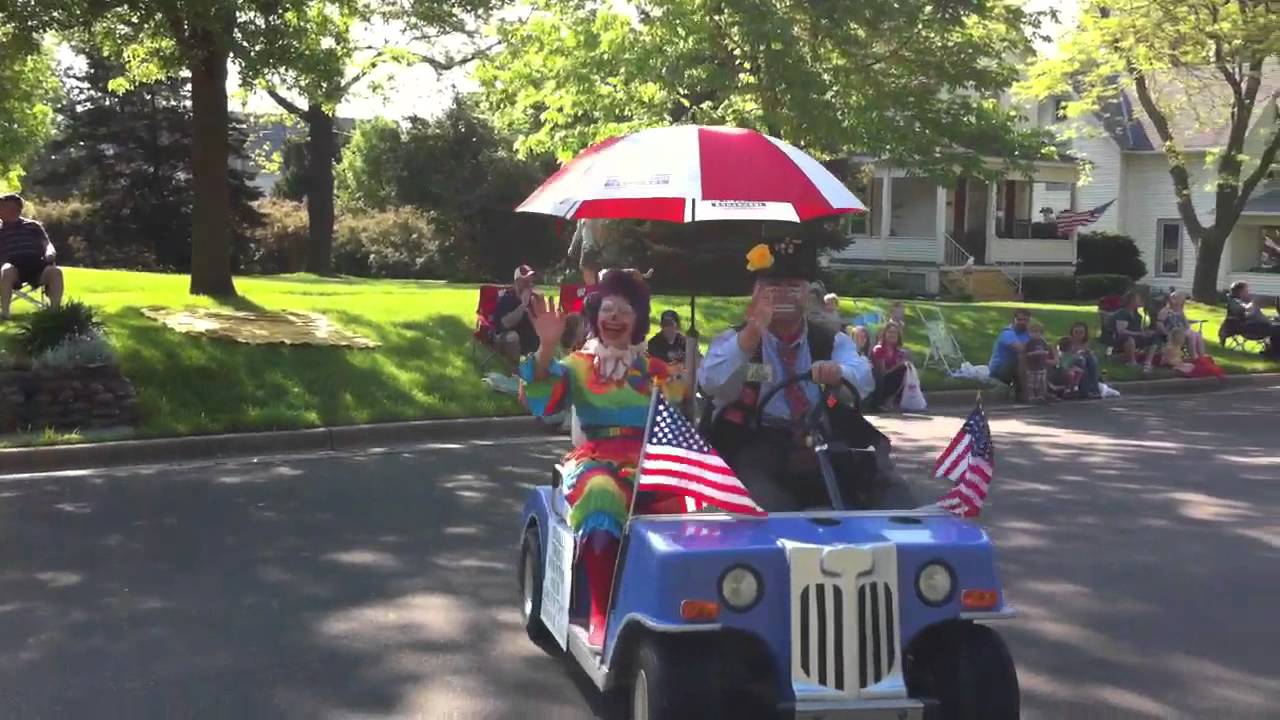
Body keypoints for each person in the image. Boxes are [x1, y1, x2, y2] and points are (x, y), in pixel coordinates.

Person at [519, 270, 685, 647]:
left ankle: (679, 605)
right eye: (607, 309)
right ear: (596, 317)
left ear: (638, 320)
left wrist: (691, 374)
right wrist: (547, 347)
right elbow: (542, 401)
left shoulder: (654, 369)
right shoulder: (577, 364)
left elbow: (679, 413)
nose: (614, 317)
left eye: (624, 310)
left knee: (690, 502)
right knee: (601, 495)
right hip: (596, 456)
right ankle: (599, 609)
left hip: (645, 458)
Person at [699, 237, 916, 512]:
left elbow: (863, 377)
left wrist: (838, 372)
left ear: (808, 293)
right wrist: (752, 332)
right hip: (756, 441)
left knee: (876, 472)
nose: (784, 296)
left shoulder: (829, 341)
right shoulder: (734, 341)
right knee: (766, 500)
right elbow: (711, 384)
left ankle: (912, 534)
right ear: (755, 294)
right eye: (773, 288)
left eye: (793, 288)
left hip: (817, 436)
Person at [0, 193, 64, 319]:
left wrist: (50, 253)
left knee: (56, 272)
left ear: (15, 209)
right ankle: (5, 314)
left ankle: (54, 314)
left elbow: (47, 244)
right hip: (13, 268)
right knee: (6, 270)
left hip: (36, 265)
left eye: (2, 206)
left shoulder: (33, 226)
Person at [490, 265, 542, 366]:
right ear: (516, 282)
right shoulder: (507, 298)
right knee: (513, 337)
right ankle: (515, 373)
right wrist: (523, 305)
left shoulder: (533, 299)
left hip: (525, 337)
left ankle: (543, 370)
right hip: (503, 338)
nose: (528, 285)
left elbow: (539, 325)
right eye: (525, 281)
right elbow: (506, 324)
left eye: (530, 282)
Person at [1227, 281, 1280, 358]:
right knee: (1277, 328)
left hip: (1251, 325)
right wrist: (1253, 303)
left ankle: (1270, 351)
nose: (1248, 292)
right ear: (1240, 292)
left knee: (1276, 325)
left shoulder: (1239, 301)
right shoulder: (1236, 301)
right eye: (1246, 290)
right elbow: (1246, 310)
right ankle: (1274, 353)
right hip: (1247, 328)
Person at [988, 309, 1032, 402]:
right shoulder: (1007, 333)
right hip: (1000, 370)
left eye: (1025, 320)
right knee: (1019, 357)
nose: (1022, 322)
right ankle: (1023, 393)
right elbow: (1020, 349)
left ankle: (1045, 390)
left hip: (1018, 367)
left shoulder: (1028, 334)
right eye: (1019, 320)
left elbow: (1043, 346)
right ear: (1014, 320)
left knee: (1040, 355)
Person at [867, 321, 909, 411]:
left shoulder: (895, 350)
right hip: (877, 383)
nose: (892, 335)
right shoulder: (879, 349)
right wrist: (898, 365)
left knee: (906, 369)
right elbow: (882, 373)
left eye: (895, 333)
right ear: (884, 334)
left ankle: (890, 400)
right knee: (901, 369)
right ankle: (880, 402)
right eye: (890, 332)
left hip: (888, 380)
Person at [1112, 291, 1157, 371]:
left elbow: (1138, 329)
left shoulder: (1138, 315)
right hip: (1121, 339)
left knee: (1154, 338)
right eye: (1138, 299)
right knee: (1129, 338)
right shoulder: (1123, 313)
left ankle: (1147, 363)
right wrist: (1138, 333)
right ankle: (1132, 362)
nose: (1140, 301)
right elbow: (1121, 331)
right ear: (1131, 301)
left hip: (1136, 336)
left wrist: (1145, 332)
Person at [1156, 291, 1205, 360]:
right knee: (1191, 335)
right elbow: (1159, 323)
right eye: (1179, 300)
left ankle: (1201, 355)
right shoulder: (1165, 311)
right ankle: (1193, 356)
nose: (1181, 303)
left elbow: (1186, 324)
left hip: (1180, 332)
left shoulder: (1180, 312)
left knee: (1197, 335)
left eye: (1182, 301)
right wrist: (1165, 333)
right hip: (1172, 333)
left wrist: (1188, 326)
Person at [1061, 321, 1102, 398]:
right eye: (1076, 332)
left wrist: (1088, 353)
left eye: (1081, 332)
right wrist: (1077, 355)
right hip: (1070, 365)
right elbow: (1064, 358)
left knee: (1091, 359)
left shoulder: (1086, 344)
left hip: (1085, 364)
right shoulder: (1067, 342)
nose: (1078, 335)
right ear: (1072, 332)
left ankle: (1094, 390)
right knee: (1081, 361)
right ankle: (1087, 391)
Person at [1023, 321, 1052, 401]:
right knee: (1031, 382)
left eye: (1037, 332)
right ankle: (1031, 396)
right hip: (1032, 366)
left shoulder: (1043, 342)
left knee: (1041, 382)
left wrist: (1044, 353)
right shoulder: (1029, 343)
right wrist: (1034, 353)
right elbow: (1026, 354)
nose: (1035, 334)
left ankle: (1040, 395)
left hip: (1041, 366)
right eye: (1032, 332)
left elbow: (1047, 351)